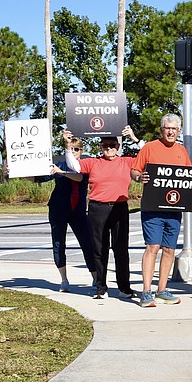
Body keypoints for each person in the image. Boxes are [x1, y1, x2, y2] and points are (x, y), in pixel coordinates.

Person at [63, 126, 139, 300]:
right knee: (99, 249)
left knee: (121, 250)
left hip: (119, 208)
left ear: (118, 147)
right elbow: (74, 166)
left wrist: (134, 139)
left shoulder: (127, 161)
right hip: (98, 209)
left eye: (112, 145)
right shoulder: (93, 162)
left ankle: (124, 288)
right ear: (100, 147)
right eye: (105, 145)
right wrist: (68, 145)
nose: (109, 148)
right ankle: (101, 287)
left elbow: (147, 156)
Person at [131, 113, 192, 307]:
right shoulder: (149, 147)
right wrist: (139, 177)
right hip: (152, 208)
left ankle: (162, 290)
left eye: (174, 129)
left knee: (169, 249)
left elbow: (190, 176)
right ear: (162, 130)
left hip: (174, 209)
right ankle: (146, 291)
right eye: (168, 128)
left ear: (179, 131)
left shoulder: (182, 151)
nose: (171, 132)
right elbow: (134, 170)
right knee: (153, 247)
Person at [38, 135, 97, 292]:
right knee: (58, 244)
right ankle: (64, 280)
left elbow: (79, 177)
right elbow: (39, 178)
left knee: (87, 243)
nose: (73, 152)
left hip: (77, 211)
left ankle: (95, 277)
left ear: (81, 151)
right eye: (71, 149)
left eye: (76, 149)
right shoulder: (59, 164)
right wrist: (17, 172)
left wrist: (62, 172)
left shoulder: (84, 165)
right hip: (58, 209)